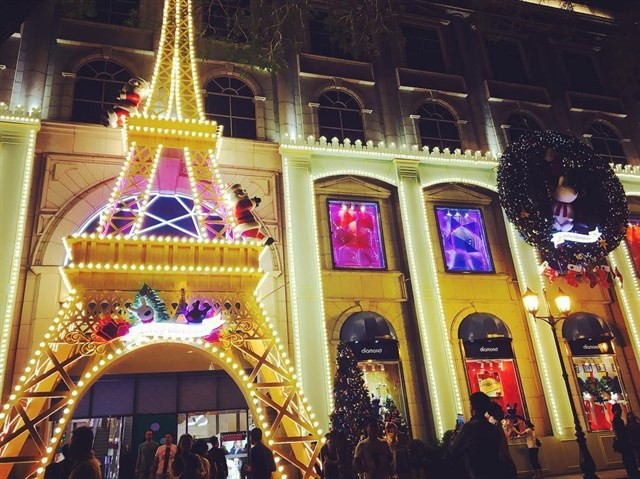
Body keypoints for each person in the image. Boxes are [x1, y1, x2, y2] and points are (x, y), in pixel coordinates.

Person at [450, 392, 502, 479]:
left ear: (472, 407)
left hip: (476, 473)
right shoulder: (492, 428)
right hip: (494, 472)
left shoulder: (469, 428)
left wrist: (456, 432)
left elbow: (453, 449)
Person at [488, 402, 517, 479]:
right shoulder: (495, 424)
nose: (503, 411)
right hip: (502, 460)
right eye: (500, 410)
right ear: (495, 412)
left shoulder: (496, 423)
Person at [612, 403, 640, 478]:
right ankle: (632, 471)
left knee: (628, 457)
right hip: (624, 442)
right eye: (619, 409)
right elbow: (619, 432)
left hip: (624, 441)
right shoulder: (617, 420)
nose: (621, 410)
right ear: (615, 411)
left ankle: (632, 471)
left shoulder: (617, 420)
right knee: (628, 457)